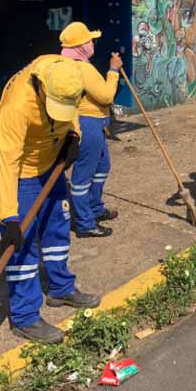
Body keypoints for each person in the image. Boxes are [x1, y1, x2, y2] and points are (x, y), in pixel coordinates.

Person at [0, 55, 100, 344]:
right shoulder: (18, 105)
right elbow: (9, 165)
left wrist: (74, 135)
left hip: (50, 164)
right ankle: (25, 318)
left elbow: (71, 107)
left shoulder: (65, 73)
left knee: (58, 227)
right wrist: (10, 217)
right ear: (40, 87)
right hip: (18, 173)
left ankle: (61, 287)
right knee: (22, 247)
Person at [58, 22, 122, 238]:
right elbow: (105, 96)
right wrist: (113, 71)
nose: (93, 43)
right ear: (80, 45)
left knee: (103, 165)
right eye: (90, 40)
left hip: (94, 123)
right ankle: (85, 222)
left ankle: (95, 208)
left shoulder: (67, 63)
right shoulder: (82, 68)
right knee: (83, 175)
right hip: (88, 123)